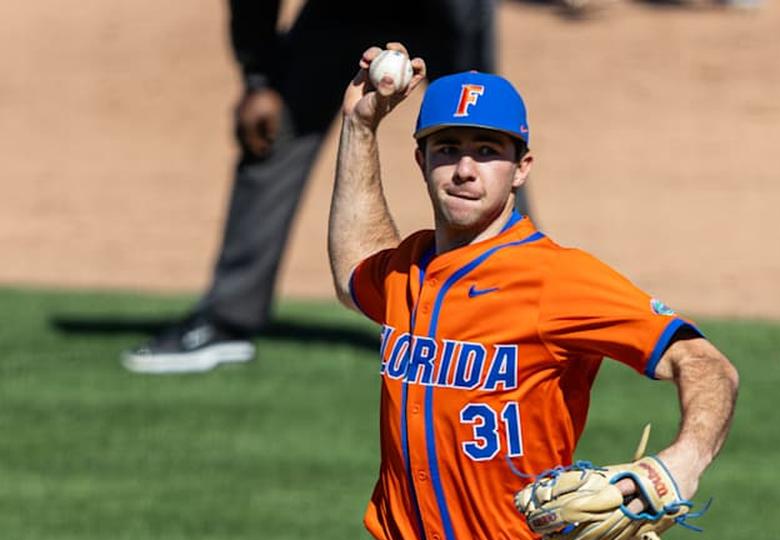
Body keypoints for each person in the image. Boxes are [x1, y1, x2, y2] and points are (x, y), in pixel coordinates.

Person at [329, 42, 739, 540]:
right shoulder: (406, 271)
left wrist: (684, 461)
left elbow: (702, 361)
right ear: (420, 160)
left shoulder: (556, 279)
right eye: (447, 149)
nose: (464, 169)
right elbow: (354, 268)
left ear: (521, 168)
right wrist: (359, 127)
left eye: (486, 152)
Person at [120, 0, 502, 374]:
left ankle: (506, 310)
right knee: (272, 133)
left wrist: (475, 81)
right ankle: (227, 319)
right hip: (338, 13)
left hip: (443, 14)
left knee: (488, 149)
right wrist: (259, 81)